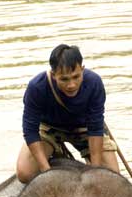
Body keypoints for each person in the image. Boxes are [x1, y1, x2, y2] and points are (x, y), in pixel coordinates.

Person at [16, 44, 120, 183]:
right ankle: (55, 157)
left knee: (111, 178)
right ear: (53, 75)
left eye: (76, 77)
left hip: (85, 129)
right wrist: (46, 171)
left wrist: (96, 170)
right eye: (64, 79)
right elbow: (30, 130)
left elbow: (95, 126)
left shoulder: (94, 83)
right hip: (50, 128)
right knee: (25, 173)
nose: (71, 85)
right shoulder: (37, 87)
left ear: (82, 70)